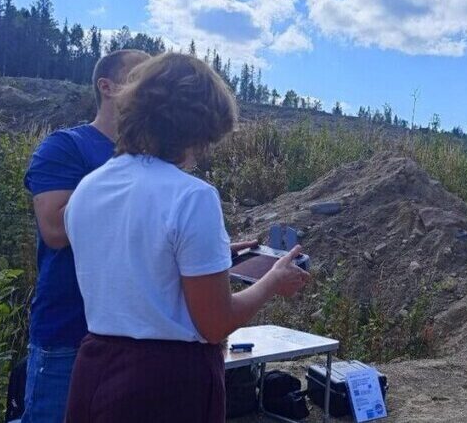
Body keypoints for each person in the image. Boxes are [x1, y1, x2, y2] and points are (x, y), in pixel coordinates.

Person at [63, 52, 311, 423]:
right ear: (195, 128)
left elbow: (132, 265)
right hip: (168, 384)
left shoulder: (87, 189)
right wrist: (273, 281)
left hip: (95, 370)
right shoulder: (192, 196)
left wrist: (211, 257)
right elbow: (215, 324)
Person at [21, 49, 150, 423]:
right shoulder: (66, 147)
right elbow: (56, 230)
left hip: (133, 335)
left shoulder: (154, 160)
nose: (152, 85)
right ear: (106, 87)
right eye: (140, 76)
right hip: (68, 334)